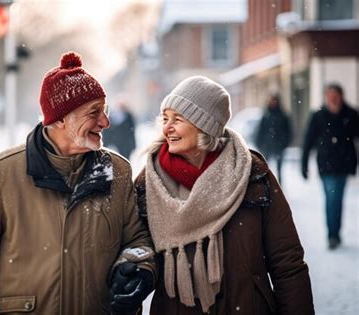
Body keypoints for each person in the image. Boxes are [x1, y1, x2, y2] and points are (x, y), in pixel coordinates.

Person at [0, 52, 157, 314]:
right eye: (94, 112)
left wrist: (138, 268)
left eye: (104, 110)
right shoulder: (0, 174)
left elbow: (137, 239)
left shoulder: (118, 171)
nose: (105, 122)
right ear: (60, 119)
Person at [135, 76, 314, 314]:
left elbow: (287, 262)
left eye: (177, 119)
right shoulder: (149, 183)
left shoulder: (252, 174)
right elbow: (138, 257)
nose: (167, 127)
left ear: (205, 126)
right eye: (165, 118)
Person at [301, 83, 358, 250]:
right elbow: (308, 140)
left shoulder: (351, 114)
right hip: (326, 164)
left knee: (337, 199)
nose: (332, 99)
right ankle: (333, 234)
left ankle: (335, 233)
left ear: (341, 96)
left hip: (344, 164)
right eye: (329, 95)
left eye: (335, 95)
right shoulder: (319, 116)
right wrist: (304, 164)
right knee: (332, 198)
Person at [255, 94, 292, 184]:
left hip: (279, 146)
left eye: (274, 100)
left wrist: (284, 143)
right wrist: (260, 144)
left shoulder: (283, 115)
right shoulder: (266, 115)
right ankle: (267, 186)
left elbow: (288, 131)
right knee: (266, 168)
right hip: (267, 146)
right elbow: (260, 131)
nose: (273, 102)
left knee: (279, 169)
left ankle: (278, 186)